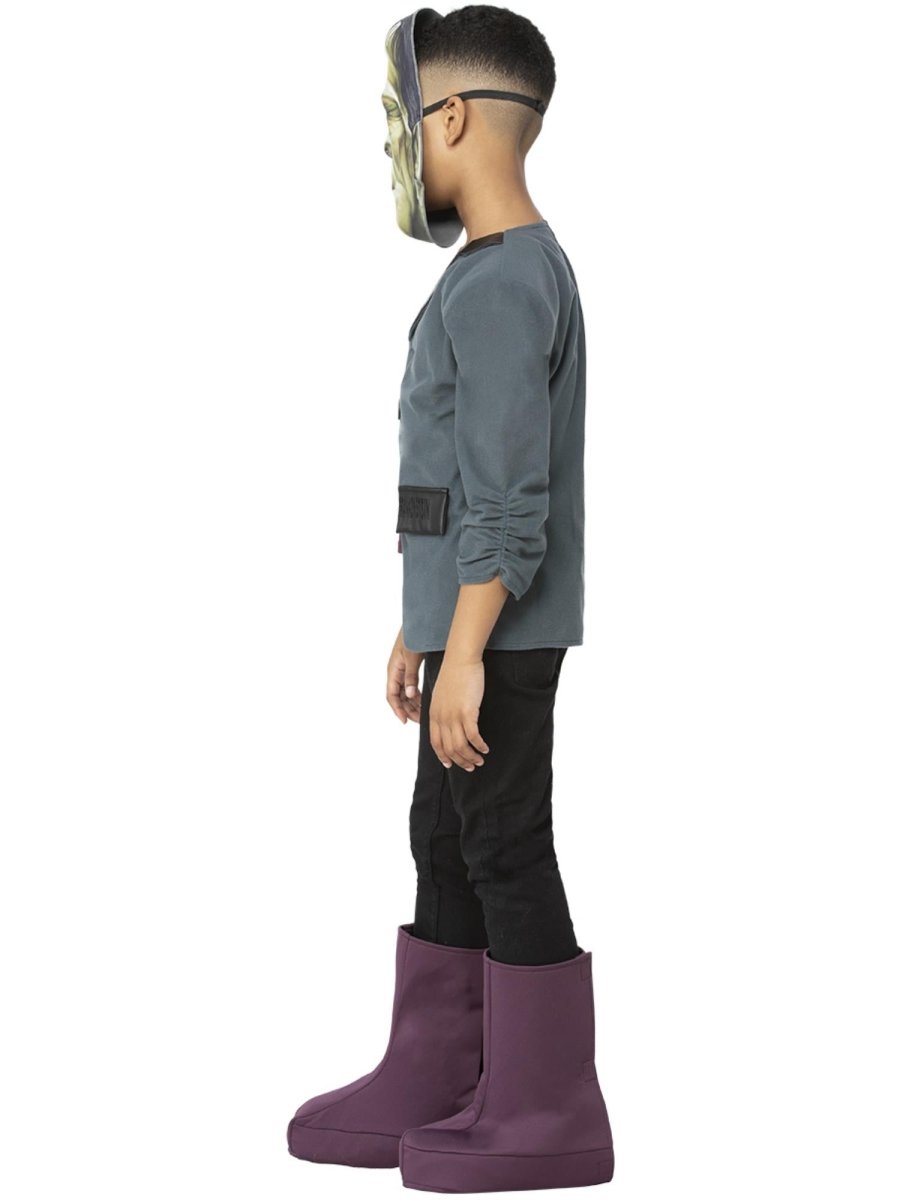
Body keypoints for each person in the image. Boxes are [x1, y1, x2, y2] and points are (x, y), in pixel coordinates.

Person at [288, 6, 614, 1191]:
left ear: (456, 118)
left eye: (403, 122)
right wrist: (419, 626)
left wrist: (467, 647)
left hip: (504, 632)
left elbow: (510, 497)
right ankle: (442, 1074)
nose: (396, 148)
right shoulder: (490, 272)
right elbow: (456, 484)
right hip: (468, 624)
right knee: (445, 834)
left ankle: (549, 1109)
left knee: (503, 842)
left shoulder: (506, 281)